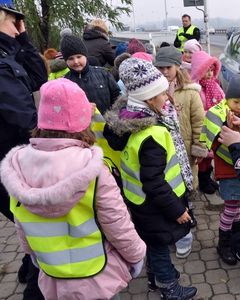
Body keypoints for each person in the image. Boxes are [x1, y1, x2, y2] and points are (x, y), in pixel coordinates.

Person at [0, 78, 146, 300]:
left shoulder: (16, 166)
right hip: (96, 275)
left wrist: (32, 256)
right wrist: (136, 257)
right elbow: (117, 222)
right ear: (82, 121)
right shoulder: (93, 169)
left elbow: (21, 221)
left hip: (51, 273)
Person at [104, 58, 197, 300]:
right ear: (149, 100)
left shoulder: (131, 125)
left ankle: (158, 278)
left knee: (154, 243)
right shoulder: (153, 134)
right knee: (159, 246)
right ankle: (168, 287)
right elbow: (154, 180)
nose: (167, 98)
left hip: (140, 202)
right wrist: (177, 209)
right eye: (162, 95)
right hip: (156, 205)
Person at [0, 1, 47, 299]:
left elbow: (38, 78)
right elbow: (25, 118)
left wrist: (25, 39)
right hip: (7, 162)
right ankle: (37, 283)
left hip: (12, 159)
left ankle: (31, 262)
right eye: (15, 19)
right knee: (35, 220)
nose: (19, 25)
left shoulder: (8, 53)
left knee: (26, 219)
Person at [154, 46, 207, 228]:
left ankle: (189, 209)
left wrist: (199, 146)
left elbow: (199, 122)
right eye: (160, 68)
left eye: (168, 67)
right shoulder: (153, 92)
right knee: (169, 182)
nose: (164, 71)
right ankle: (175, 211)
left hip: (185, 147)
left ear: (178, 66)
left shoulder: (190, 92)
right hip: (163, 148)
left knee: (188, 182)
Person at [200, 73, 240, 265]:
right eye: (236, 101)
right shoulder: (216, 114)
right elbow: (214, 144)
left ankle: (235, 231)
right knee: (231, 207)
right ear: (227, 98)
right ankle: (223, 243)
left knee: (238, 204)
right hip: (228, 171)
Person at [191, 50, 225, 194]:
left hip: (214, 127)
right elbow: (196, 109)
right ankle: (202, 180)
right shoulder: (196, 89)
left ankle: (207, 178)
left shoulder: (215, 85)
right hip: (202, 128)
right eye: (206, 70)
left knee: (211, 155)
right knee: (202, 158)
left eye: (212, 70)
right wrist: (209, 114)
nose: (210, 73)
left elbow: (223, 101)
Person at [60, 34, 120, 114]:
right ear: (66, 61)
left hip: (108, 123)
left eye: (79, 57)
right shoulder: (65, 82)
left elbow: (117, 97)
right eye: (71, 59)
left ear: (85, 56)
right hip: (81, 125)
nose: (76, 62)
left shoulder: (104, 73)